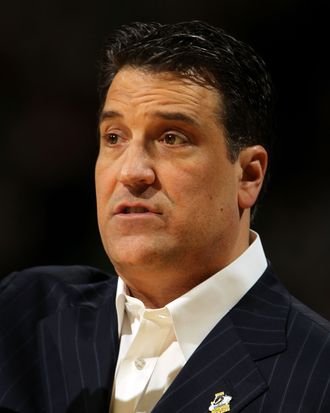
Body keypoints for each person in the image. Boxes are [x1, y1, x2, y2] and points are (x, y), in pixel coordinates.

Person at [0, 21, 329, 413]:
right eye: (114, 137)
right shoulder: (22, 311)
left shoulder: (319, 375)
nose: (131, 171)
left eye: (172, 138)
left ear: (248, 175)